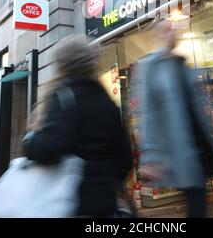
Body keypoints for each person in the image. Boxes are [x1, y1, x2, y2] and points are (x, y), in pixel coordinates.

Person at [22, 34, 133, 218]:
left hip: (70, 203)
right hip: (105, 204)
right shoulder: (107, 102)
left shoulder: (64, 97)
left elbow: (51, 147)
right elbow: (124, 159)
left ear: (62, 66)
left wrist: (30, 142)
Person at [132, 20, 213, 218]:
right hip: (177, 150)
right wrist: (150, 156)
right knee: (196, 201)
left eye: (172, 30)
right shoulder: (151, 66)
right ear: (158, 36)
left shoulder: (183, 64)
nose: (171, 34)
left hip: (198, 147)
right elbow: (147, 113)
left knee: (198, 201)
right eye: (165, 31)